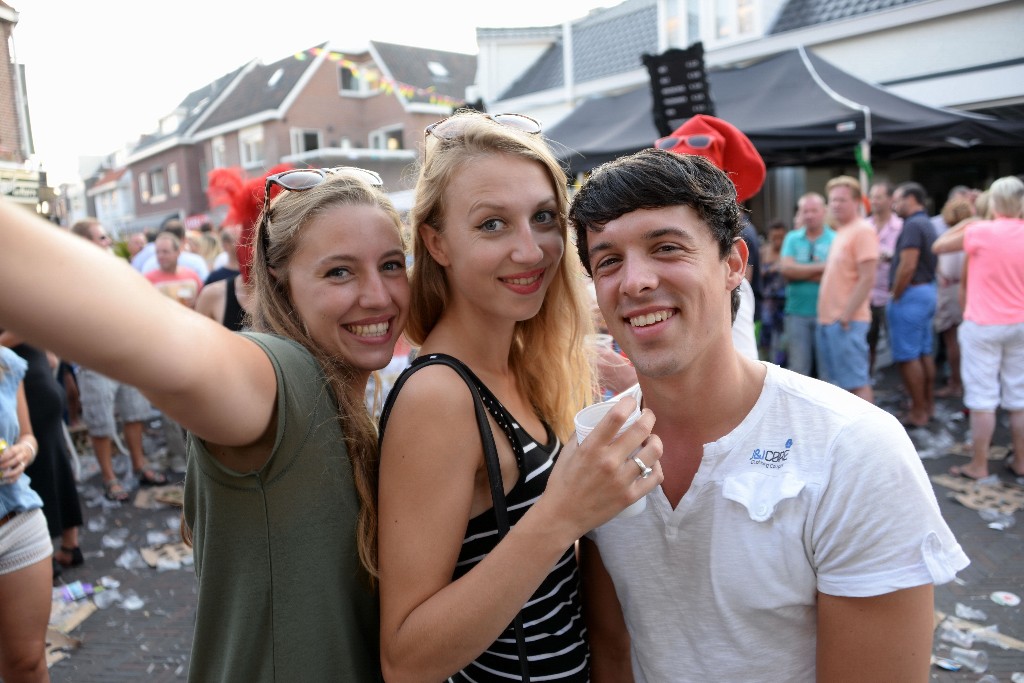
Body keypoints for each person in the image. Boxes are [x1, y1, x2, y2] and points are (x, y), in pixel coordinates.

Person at [567, 147, 969, 682]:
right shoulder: (600, 449)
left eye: (666, 247)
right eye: (609, 260)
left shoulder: (853, 448)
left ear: (733, 264)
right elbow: (611, 651)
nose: (635, 281)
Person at [0, 166, 410, 681]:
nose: (378, 295)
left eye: (392, 265)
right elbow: (152, 336)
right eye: (339, 272)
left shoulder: (366, 399)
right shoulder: (283, 377)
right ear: (279, 281)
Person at [376, 110, 663, 682]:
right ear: (436, 242)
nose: (532, 251)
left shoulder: (526, 367)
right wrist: (563, 514)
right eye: (492, 225)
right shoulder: (439, 394)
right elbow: (406, 660)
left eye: (543, 218)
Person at [68, 219, 168, 501]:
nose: (108, 242)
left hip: (125, 354)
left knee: (134, 413)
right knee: (100, 422)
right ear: (85, 242)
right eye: (101, 238)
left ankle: (139, 465)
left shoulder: (116, 267)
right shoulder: (72, 274)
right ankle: (109, 478)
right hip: (95, 359)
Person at [932, 176, 1024, 481]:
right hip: (1019, 323)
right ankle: (1021, 461)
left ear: (993, 201)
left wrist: (971, 218)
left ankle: (979, 464)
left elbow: (939, 245)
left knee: (983, 398)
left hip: (983, 324)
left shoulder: (980, 230)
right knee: (1018, 397)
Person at [1, 332, 86, 576]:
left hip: (33, 390)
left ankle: (49, 554)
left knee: (40, 470)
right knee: (56, 464)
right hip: (40, 385)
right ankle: (69, 544)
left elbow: (25, 328)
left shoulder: (8, 361)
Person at [0, 345, 51, 683]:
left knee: (28, 663)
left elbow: (28, 436)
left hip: (18, 521)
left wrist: (23, 452)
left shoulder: (6, 361)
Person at [816, 176, 878, 402]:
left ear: (856, 202)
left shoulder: (862, 230)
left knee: (857, 384)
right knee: (842, 386)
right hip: (833, 320)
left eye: (841, 200)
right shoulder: (843, 230)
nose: (835, 205)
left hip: (847, 321)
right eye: (832, 200)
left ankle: (869, 436)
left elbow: (867, 277)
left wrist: (846, 315)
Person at [888, 182, 938, 429]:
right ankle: (927, 405)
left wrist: (895, 293)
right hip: (926, 291)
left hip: (911, 294)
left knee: (909, 356)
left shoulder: (913, 225)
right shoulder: (926, 222)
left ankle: (918, 411)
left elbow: (908, 265)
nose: (893, 204)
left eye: (897, 199)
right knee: (923, 352)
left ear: (910, 199)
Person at [780, 192, 834, 378]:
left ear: (824, 212)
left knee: (828, 372)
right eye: (805, 211)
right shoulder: (792, 238)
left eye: (814, 210)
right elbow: (786, 270)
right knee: (798, 370)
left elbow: (835, 276)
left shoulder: (835, 238)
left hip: (828, 314)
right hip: (796, 313)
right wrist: (823, 267)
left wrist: (800, 272)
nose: (809, 215)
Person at [932, 196, 976, 398]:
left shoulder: (950, 239)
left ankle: (956, 382)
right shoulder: (974, 235)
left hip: (952, 291)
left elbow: (947, 272)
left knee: (952, 341)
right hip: (969, 290)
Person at [866, 181, 903, 374]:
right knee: (867, 341)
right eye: (872, 197)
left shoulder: (900, 226)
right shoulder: (865, 225)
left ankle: (900, 382)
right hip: (868, 293)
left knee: (896, 341)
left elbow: (906, 257)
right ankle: (869, 377)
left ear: (890, 200)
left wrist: (890, 256)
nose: (874, 201)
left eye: (879, 197)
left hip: (891, 293)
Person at [145, 232, 204, 308]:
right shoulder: (147, 280)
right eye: (157, 252)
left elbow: (204, 301)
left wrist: (196, 302)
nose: (160, 256)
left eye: (165, 252)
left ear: (178, 252)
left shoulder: (192, 276)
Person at [759, 219, 788, 365]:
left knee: (783, 340)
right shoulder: (763, 251)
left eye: (781, 238)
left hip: (786, 303)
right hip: (767, 303)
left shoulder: (788, 251)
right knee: (766, 336)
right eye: (774, 237)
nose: (777, 241)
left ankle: (781, 366)